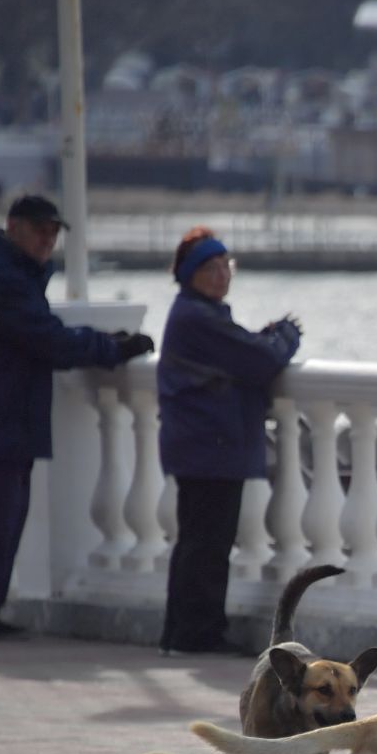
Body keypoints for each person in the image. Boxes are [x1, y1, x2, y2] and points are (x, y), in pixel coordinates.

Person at [0, 195, 153, 646]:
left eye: (53, 233)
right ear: (13, 226)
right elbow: (47, 339)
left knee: (4, 524)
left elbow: (42, 334)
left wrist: (102, 344)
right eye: (40, 230)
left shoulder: (8, 274)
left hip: (5, 422)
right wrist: (111, 349)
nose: (47, 240)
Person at [156, 227, 301, 656]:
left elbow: (242, 352)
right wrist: (287, 335)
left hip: (203, 446)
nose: (221, 275)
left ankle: (183, 633)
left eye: (225, 266)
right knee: (206, 544)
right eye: (210, 268)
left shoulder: (198, 315)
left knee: (200, 542)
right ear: (188, 275)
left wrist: (266, 338)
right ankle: (196, 634)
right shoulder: (197, 318)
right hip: (209, 446)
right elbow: (261, 359)